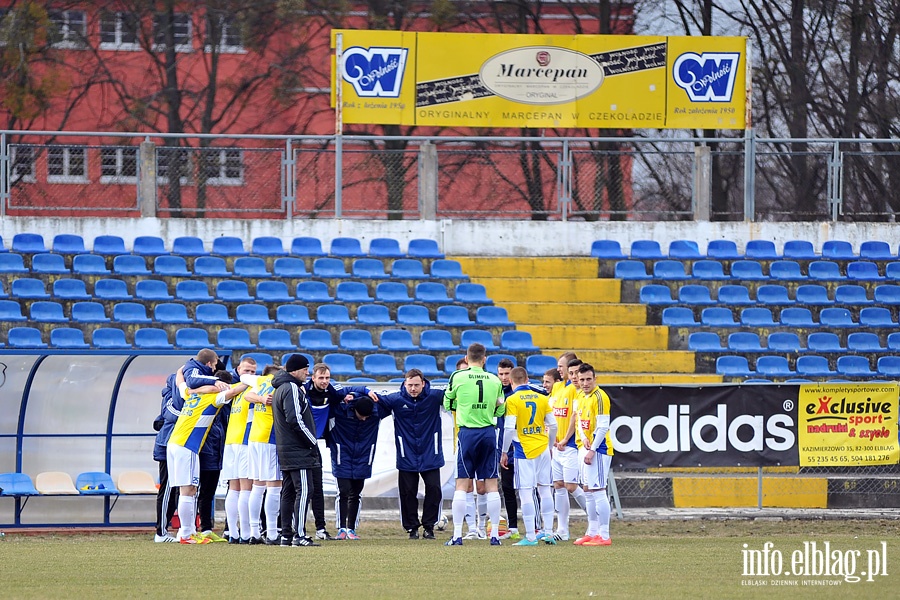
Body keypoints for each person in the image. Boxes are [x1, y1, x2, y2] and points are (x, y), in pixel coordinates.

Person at [167, 369, 247, 544]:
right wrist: (257, 381)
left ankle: (184, 532)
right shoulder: (213, 397)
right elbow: (233, 391)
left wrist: (181, 370)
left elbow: (181, 383)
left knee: (186, 491)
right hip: (187, 445)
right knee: (188, 491)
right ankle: (187, 534)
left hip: (174, 443)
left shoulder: (191, 393)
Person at [303, 363, 375, 541]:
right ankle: (335, 528)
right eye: (321, 378)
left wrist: (365, 390)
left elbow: (350, 388)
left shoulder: (333, 392)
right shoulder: (302, 390)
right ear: (313, 378)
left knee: (351, 492)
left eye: (327, 378)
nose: (324, 381)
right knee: (312, 489)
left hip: (317, 440)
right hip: (302, 440)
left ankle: (349, 529)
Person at [443, 343, 505, 546]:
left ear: (466, 359)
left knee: (462, 484)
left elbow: (447, 403)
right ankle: (494, 535)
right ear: (485, 359)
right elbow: (500, 409)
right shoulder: (494, 380)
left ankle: (457, 535)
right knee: (491, 484)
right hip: (488, 432)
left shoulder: (457, 377)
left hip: (467, 433)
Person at [376, 369, 445, 540]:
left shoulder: (435, 397)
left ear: (423, 383)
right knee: (407, 493)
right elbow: (373, 405)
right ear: (404, 384)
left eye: (416, 385)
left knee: (434, 490)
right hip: (406, 454)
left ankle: (429, 526)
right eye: (410, 385)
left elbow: (459, 396)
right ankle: (411, 528)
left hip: (431, 453)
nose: (413, 388)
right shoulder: (395, 400)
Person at [501, 367, 557, 546]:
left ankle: (531, 537)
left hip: (523, 450)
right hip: (542, 448)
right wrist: (549, 446)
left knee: (526, 492)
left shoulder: (512, 399)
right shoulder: (542, 398)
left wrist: (504, 451)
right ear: (527, 380)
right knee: (545, 489)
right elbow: (553, 425)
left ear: (511, 381)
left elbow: (509, 428)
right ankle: (548, 533)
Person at [271, 353, 321, 547]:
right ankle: (299, 535)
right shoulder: (291, 387)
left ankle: (286, 535)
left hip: (286, 449)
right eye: (305, 369)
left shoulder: (280, 388)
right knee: (304, 490)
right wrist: (312, 442)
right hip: (297, 449)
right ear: (295, 370)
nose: (307, 374)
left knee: (289, 492)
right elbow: (295, 419)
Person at [325, 392, 387, 539]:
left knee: (356, 494)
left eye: (367, 416)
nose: (365, 419)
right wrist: (353, 392)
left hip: (364, 459)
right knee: (343, 492)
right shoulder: (340, 411)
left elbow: (388, 400)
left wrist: (367, 393)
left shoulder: (376, 413)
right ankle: (341, 529)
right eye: (362, 416)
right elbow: (332, 395)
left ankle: (351, 529)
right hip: (342, 457)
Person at [241, 364, 284, 544]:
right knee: (274, 486)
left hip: (254, 438)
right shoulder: (278, 385)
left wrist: (258, 398)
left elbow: (244, 381)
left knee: (257, 487)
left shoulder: (260, 381)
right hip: (269, 438)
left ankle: (254, 532)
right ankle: (273, 533)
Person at [572, 363, 614, 547]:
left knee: (598, 491)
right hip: (585, 446)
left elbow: (603, 425)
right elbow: (579, 420)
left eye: (589, 379)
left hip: (600, 449)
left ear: (595, 379)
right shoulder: (580, 395)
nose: (585, 382)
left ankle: (604, 535)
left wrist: (592, 449)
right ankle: (592, 531)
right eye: (582, 379)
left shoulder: (600, 397)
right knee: (587, 490)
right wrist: (582, 438)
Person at [551, 354, 588, 541]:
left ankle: (595, 517)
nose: (559, 369)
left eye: (561, 366)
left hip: (571, 445)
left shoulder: (576, 389)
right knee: (558, 485)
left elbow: (575, 416)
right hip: (557, 446)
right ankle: (562, 529)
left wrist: (566, 438)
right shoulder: (558, 387)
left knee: (571, 485)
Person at [221, 356, 258, 544]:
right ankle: (245, 533)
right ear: (238, 370)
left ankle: (233, 533)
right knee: (246, 488)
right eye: (247, 371)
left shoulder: (233, 390)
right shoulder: (250, 389)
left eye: (253, 372)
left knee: (234, 489)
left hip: (231, 441)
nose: (250, 375)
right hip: (243, 441)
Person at [495, 358, 520, 541]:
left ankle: (536, 527)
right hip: (504, 448)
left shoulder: (522, 393)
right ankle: (513, 527)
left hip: (523, 446)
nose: (504, 377)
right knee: (507, 488)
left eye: (507, 374)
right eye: (501, 374)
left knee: (530, 489)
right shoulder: (496, 393)